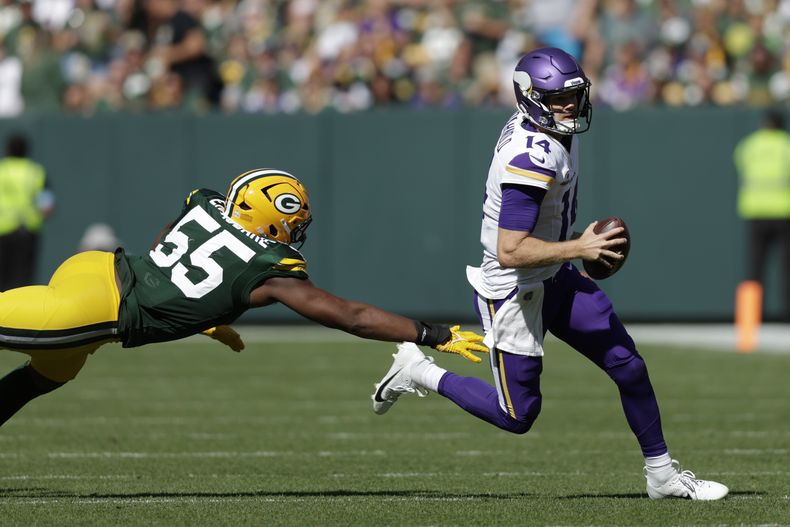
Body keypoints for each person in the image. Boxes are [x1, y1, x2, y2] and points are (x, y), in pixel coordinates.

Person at [371, 48, 729, 500]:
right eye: (557, 98)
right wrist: (581, 245)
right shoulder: (531, 155)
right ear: (529, 97)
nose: (568, 106)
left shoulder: (552, 131)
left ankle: (661, 475)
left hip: (554, 272)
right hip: (515, 289)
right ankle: (418, 370)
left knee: (628, 365)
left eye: (574, 96)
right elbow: (510, 250)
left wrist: (570, 246)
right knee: (517, 416)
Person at [0, 168, 487, 428]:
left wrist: (199, 310)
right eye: (294, 224)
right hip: (97, 312)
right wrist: (431, 333)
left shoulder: (207, 202)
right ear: (273, 220)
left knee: (34, 382)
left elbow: (166, 242)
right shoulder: (272, 267)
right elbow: (351, 316)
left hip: (97, 268)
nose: (297, 233)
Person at [733, 109, 790, 322]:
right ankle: (787, 316)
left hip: (754, 210)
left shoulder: (749, 145)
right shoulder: (786, 145)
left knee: (755, 267)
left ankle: (751, 318)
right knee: (787, 267)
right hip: (784, 211)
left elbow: (740, 165)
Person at [0, 132, 54, 291]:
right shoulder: (36, 172)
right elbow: (47, 206)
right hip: (27, 232)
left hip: (2, 231)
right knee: (23, 281)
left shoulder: (2, 170)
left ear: (8, 150)